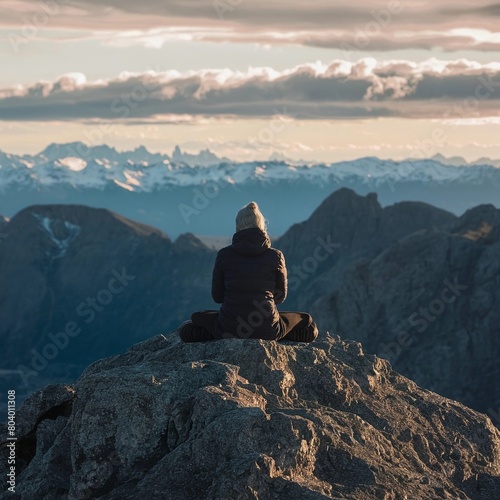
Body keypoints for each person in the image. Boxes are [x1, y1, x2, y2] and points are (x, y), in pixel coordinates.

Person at [179, 201, 318, 343]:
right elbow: (280, 297)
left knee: (195, 319)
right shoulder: (275, 256)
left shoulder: (224, 255)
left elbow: (218, 297)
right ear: (262, 225)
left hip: (228, 328)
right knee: (306, 321)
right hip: (268, 328)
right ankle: (288, 335)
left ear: (238, 226)